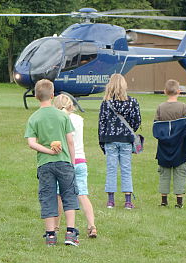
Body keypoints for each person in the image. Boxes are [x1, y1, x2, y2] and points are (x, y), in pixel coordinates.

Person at [24, 79, 80, 246]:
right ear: (53, 94)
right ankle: (70, 233)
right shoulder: (62, 116)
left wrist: (47, 151)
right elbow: (70, 141)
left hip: (45, 164)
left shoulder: (34, 118)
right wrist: (72, 161)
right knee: (69, 195)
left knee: (48, 197)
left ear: (35, 96)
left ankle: (50, 235)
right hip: (64, 161)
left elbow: (31, 143)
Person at [53, 94, 97, 238]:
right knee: (83, 195)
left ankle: (55, 226)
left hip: (65, 161)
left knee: (59, 195)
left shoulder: (59, 120)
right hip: (81, 160)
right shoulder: (79, 119)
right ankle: (92, 225)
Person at [98, 74, 141, 209]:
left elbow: (102, 123)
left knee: (111, 169)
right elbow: (137, 120)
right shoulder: (132, 102)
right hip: (126, 139)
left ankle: (111, 200)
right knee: (126, 169)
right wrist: (128, 131)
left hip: (110, 139)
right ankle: (128, 200)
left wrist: (102, 142)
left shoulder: (106, 103)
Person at [153, 79, 186, 208]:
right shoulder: (184, 107)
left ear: (165, 91)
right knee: (180, 173)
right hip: (181, 146)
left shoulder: (160, 107)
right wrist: (180, 132)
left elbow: (156, 128)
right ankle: (179, 202)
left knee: (164, 173)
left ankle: (164, 201)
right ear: (179, 91)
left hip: (164, 147)